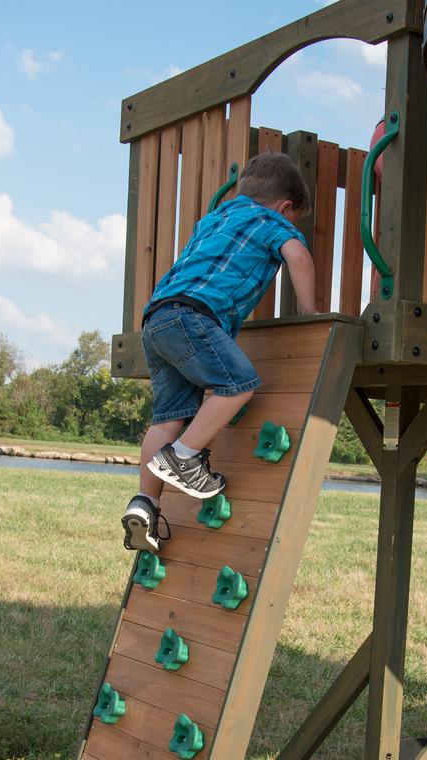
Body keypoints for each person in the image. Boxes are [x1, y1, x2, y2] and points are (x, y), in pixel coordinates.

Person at [121, 151, 316, 553]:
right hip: (194, 317)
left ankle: (145, 503)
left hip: (156, 319)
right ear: (285, 207)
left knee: (168, 417)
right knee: (238, 384)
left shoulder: (213, 219)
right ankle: (183, 458)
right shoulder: (272, 222)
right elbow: (297, 254)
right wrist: (311, 314)